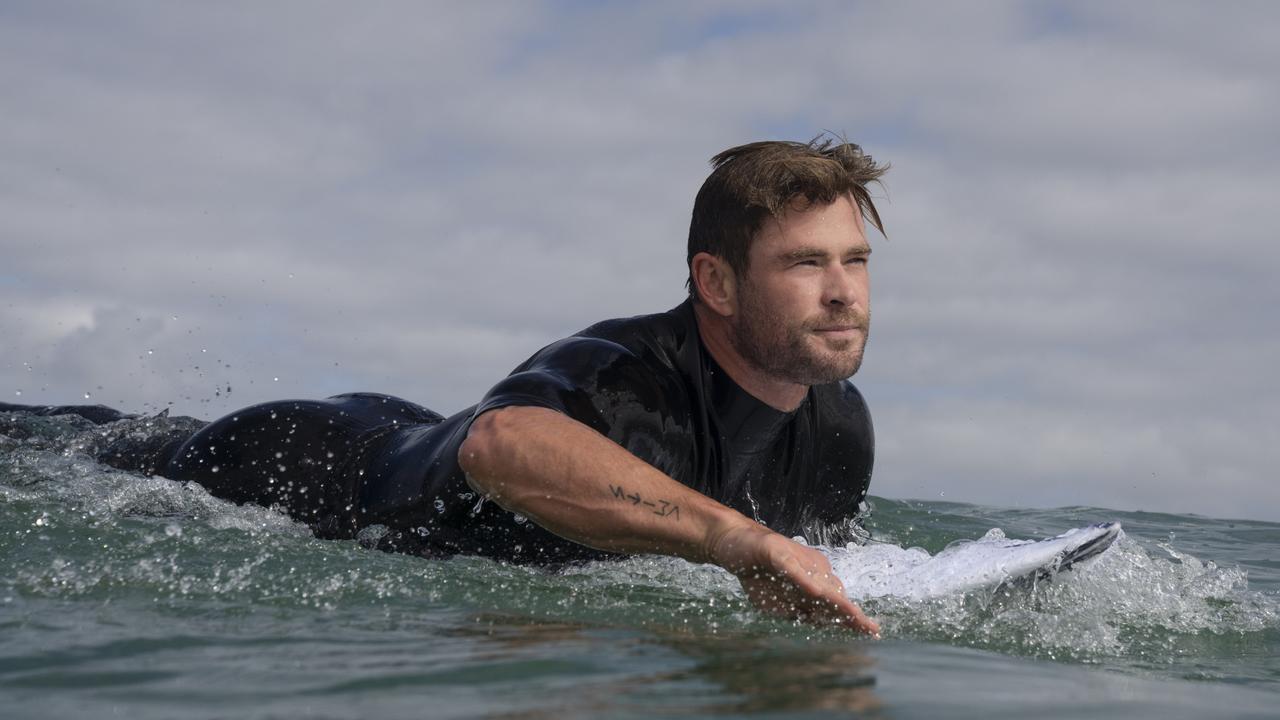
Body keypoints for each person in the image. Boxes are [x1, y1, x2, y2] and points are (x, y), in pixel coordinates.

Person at [8, 137, 887, 633]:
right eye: (805, 263)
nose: (844, 290)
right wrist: (736, 540)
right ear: (719, 282)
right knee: (72, 448)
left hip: (406, 430)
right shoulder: (626, 378)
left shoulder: (840, 431)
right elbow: (499, 445)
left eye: (854, 260)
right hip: (306, 472)